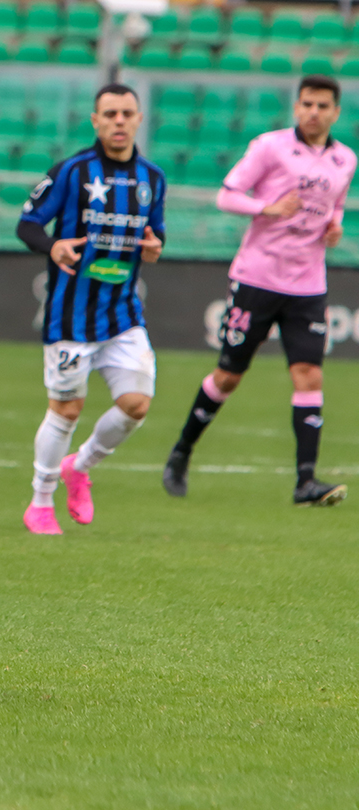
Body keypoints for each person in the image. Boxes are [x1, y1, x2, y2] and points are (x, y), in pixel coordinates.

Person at [163, 75, 355, 507]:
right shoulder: (269, 146)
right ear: (296, 106)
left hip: (308, 284)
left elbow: (336, 201)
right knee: (229, 375)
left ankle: (305, 482)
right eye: (306, 104)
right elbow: (227, 196)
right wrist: (266, 208)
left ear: (336, 112)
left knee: (309, 374)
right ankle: (182, 450)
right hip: (257, 279)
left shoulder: (345, 159)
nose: (313, 112)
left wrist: (334, 224)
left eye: (323, 106)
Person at [16, 83, 167, 535]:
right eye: (110, 114)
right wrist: (54, 244)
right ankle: (40, 502)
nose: (119, 121)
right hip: (71, 316)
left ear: (139, 119)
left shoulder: (153, 178)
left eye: (127, 113)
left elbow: (154, 236)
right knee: (66, 410)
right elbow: (27, 225)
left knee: (137, 404)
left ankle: (79, 467)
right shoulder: (72, 171)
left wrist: (156, 246)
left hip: (123, 313)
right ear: (95, 121)